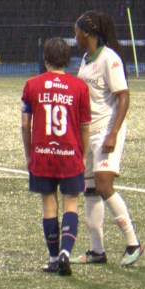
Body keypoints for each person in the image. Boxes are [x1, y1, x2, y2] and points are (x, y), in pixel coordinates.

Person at [73, 10, 144, 268]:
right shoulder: (86, 58)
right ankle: (97, 250)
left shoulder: (109, 58)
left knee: (103, 185)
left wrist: (113, 132)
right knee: (90, 189)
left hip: (106, 131)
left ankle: (133, 243)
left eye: (77, 31)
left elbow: (124, 96)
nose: (75, 35)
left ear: (88, 33)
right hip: (89, 131)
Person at [21, 37, 91, 276]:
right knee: (71, 203)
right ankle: (65, 253)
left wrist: (30, 153)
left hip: (42, 154)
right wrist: (82, 154)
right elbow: (85, 126)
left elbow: (24, 124)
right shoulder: (80, 87)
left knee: (48, 203)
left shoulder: (32, 85)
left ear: (45, 58)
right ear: (68, 60)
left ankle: (53, 257)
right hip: (70, 153)